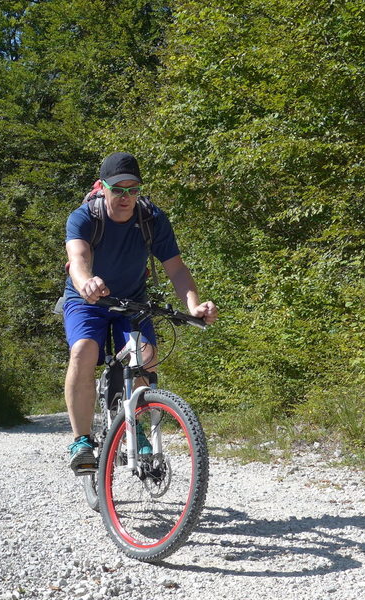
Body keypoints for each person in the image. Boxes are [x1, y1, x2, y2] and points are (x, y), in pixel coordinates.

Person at [62, 151, 218, 474]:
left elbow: (176, 269)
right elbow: (77, 259)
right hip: (87, 299)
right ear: (102, 187)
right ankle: (81, 441)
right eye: (118, 189)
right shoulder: (84, 217)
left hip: (131, 300)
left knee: (145, 358)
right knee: (83, 352)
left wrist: (194, 305)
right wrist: (86, 282)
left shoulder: (151, 219)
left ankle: (135, 427)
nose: (126, 197)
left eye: (133, 190)